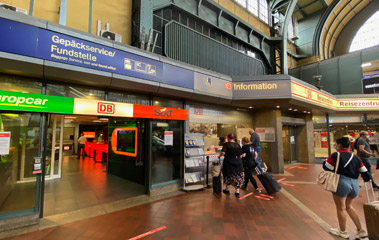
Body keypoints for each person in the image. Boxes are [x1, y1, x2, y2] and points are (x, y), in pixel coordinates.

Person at [323, 137, 370, 239]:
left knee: (341, 208)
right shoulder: (356, 157)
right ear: (349, 146)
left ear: (339, 145)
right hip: (354, 184)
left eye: (336, 144)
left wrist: (325, 161)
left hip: (341, 183)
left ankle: (343, 232)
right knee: (349, 206)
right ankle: (360, 230)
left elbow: (327, 167)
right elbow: (365, 173)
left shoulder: (336, 155)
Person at [219, 133, 243, 197]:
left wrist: (219, 156)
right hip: (238, 162)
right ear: (234, 138)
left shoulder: (226, 144)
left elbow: (223, 153)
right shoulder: (238, 145)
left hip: (229, 162)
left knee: (227, 175)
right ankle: (237, 192)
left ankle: (227, 189)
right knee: (238, 176)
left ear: (228, 138)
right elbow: (241, 155)